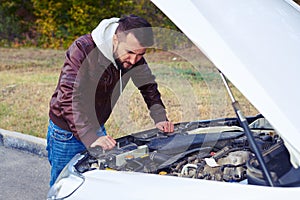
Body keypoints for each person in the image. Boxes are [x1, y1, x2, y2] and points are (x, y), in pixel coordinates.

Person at [46, 14, 174, 186]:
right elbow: (68, 96)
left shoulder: (133, 57)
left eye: (140, 54)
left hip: (96, 128)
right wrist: (90, 137)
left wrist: (160, 118)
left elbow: (148, 85)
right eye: (129, 52)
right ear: (115, 39)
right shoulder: (83, 49)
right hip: (67, 132)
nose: (134, 60)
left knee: (98, 183)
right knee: (66, 186)